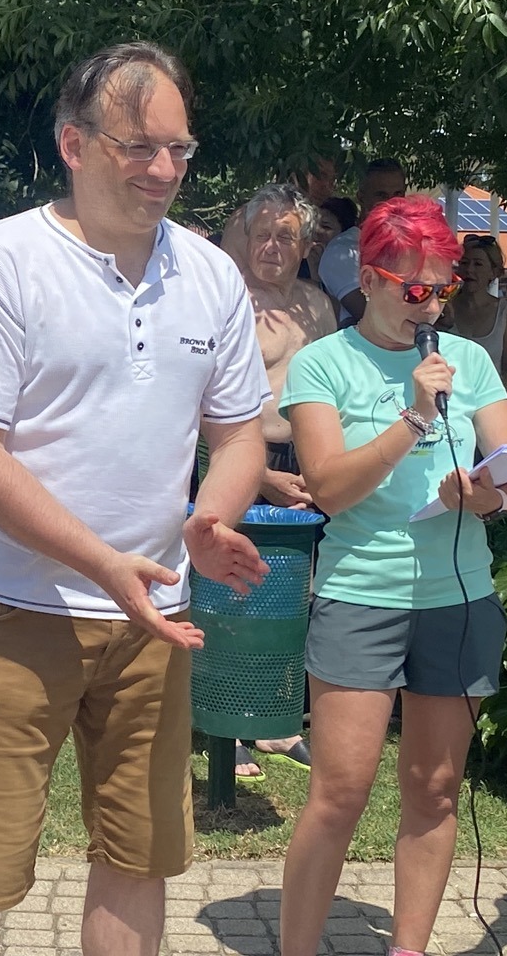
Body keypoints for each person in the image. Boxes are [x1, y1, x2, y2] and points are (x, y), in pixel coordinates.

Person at [0, 41, 271, 956]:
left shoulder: (211, 274)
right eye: (139, 146)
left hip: (154, 619)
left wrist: (210, 518)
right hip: (16, 610)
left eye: (180, 149)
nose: (165, 170)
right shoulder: (3, 261)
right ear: (73, 144)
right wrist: (103, 564)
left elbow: (239, 437)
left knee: (139, 857)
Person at [278, 195, 507, 956]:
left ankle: (408, 948)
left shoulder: (471, 362)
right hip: (362, 593)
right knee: (340, 793)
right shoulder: (323, 363)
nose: (431, 306)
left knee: (434, 789)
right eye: (416, 289)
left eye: (443, 289)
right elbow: (328, 488)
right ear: (369, 279)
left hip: (458, 596)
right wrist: (415, 418)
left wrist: (487, 497)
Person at [224, 182, 336, 779]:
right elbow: (201, 401)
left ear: (305, 245)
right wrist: (261, 474)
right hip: (242, 455)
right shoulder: (227, 300)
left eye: (285, 236)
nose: (271, 246)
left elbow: (337, 388)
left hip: (307, 459)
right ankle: (231, 724)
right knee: (235, 588)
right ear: (245, 238)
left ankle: (274, 719)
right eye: (261, 233)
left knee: (293, 595)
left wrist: (324, 464)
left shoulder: (318, 307)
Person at [318, 158, 407, 326]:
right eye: (381, 195)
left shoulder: (408, 248)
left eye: (398, 194)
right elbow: (373, 318)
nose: (391, 204)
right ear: (361, 197)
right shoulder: (342, 251)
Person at [448, 235, 507, 393]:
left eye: (478, 264)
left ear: (494, 272)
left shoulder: (506, 313)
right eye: (464, 263)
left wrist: (499, 400)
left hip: (490, 399)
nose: (469, 270)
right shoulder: (443, 307)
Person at [305, 196, 358, 289]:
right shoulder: (295, 260)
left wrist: (316, 271)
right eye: (313, 224)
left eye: (326, 227)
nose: (316, 231)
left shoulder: (348, 269)